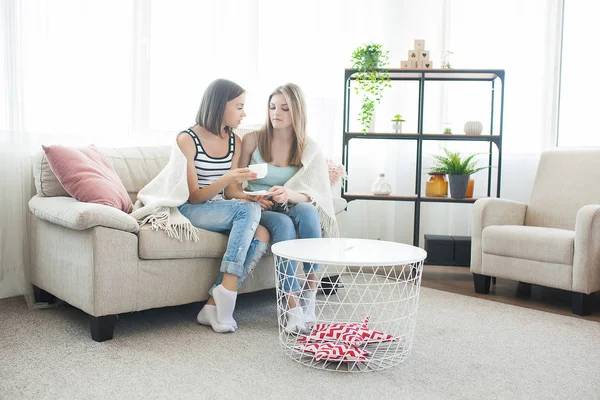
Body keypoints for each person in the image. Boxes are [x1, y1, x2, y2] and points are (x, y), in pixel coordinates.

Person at [239, 83, 338, 333]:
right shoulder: (251, 139)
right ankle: (292, 304)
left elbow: (313, 193)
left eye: (284, 108)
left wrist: (287, 193)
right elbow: (236, 182)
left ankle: (310, 292)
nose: (276, 113)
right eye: (272, 107)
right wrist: (252, 197)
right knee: (283, 224)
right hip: (259, 206)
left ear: (297, 111)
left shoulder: (308, 146)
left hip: (290, 202)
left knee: (308, 212)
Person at [177, 79, 270, 334]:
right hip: (191, 209)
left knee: (262, 232)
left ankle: (211, 305)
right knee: (248, 213)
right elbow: (194, 196)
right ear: (220, 106)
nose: (244, 113)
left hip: (219, 207)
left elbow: (230, 193)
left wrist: (251, 196)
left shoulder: (234, 142)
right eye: (239, 107)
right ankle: (227, 293)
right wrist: (227, 179)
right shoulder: (187, 139)